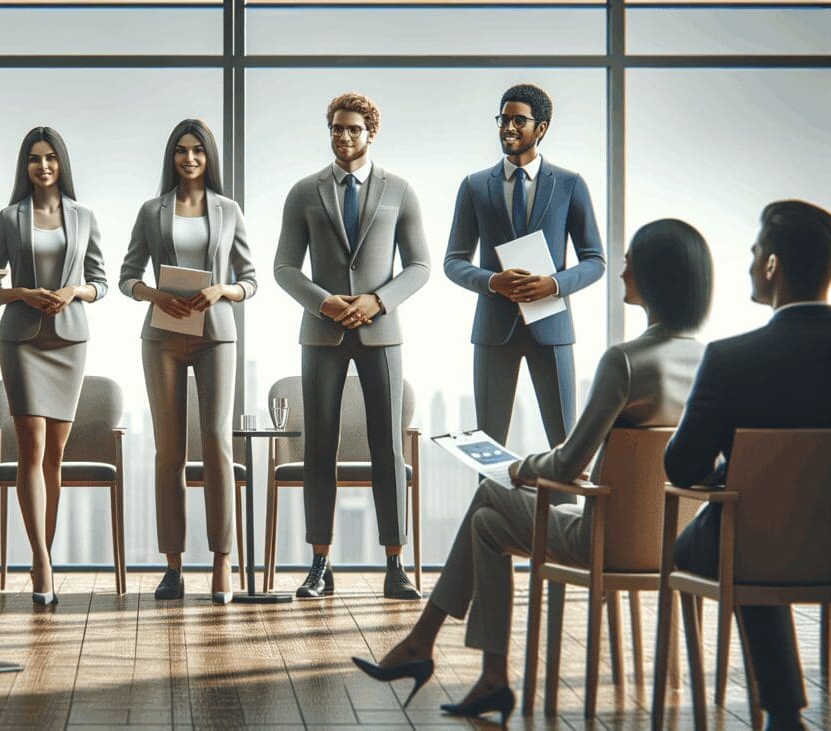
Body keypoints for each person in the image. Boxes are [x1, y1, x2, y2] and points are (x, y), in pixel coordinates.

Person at [354, 219, 713, 723]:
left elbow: (569, 463)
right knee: (487, 526)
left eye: (631, 260)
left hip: (604, 540)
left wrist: (519, 467)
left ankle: (426, 643)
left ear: (656, 276)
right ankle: (485, 677)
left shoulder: (625, 362)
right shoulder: (708, 363)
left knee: (490, 498)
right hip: (674, 546)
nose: (622, 270)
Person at [665, 200, 831, 731]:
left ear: (773, 266)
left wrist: (730, 475)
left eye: (755, 251)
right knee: (759, 526)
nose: (750, 263)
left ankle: (782, 711)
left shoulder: (733, 358)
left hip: (754, 548)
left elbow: (682, 465)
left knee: (745, 529)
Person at [273, 92, 430, 601]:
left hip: (381, 333)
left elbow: (419, 266)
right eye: (337, 129)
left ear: (371, 133)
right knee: (319, 446)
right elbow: (284, 268)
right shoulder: (303, 192)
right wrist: (325, 304)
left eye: (354, 129)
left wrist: (376, 301)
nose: (344, 137)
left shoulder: (400, 191)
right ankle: (319, 563)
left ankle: (395, 563)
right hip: (321, 334)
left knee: (388, 445)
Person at [118, 119, 258, 604]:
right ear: (171, 157)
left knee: (217, 443)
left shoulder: (229, 210)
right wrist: (152, 292)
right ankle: (173, 566)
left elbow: (251, 279)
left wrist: (225, 289)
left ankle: (223, 561)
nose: (190, 158)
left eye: (198, 150)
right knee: (169, 451)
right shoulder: (150, 210)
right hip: (162, 335)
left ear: (209, 156)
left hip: (216, 335)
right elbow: (125, 277)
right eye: (181, 151)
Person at [443, 83, 605, 499]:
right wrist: (491, 281)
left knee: (565, 447)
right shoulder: (475, 186)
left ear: (542, 128)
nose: (508, 127)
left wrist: (554, 284)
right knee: (487, 449)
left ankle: (565, 546)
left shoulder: (569, 184)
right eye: (504, 119)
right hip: (494, 332)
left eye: (519, 120)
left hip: (551, 328)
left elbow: (595, 260)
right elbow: (454, 260)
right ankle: (489, 553)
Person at [0, 126, 106, 606]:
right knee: (30, 448)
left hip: (70, 341)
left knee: (55, 456)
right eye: (34, 158)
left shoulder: (84, 216)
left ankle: (43, 551)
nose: (43, 166)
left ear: (62, 163)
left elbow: (102, 282)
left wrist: (75, 290)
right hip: (22, 340)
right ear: (25, 166)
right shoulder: (10, 218)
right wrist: (22, 293)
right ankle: (41, 563)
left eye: (50, 157)